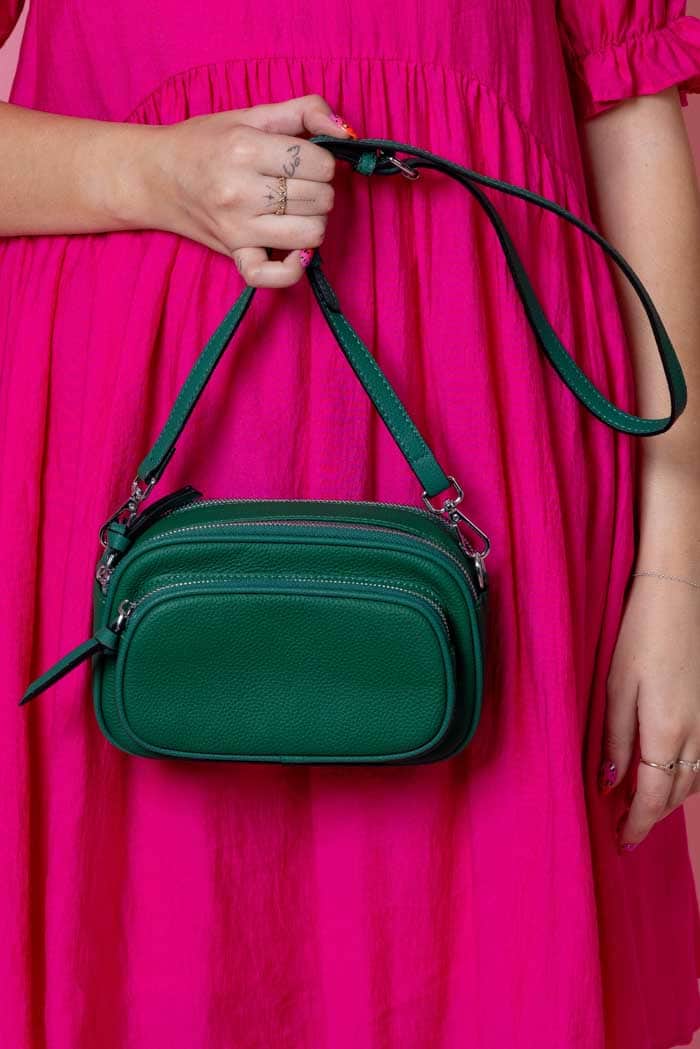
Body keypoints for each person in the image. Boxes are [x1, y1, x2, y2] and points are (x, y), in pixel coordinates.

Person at [1, 1, 700, 1046]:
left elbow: (631, 122)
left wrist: (677, 572)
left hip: (512, 481)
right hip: (118, 477)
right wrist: (149, 173)